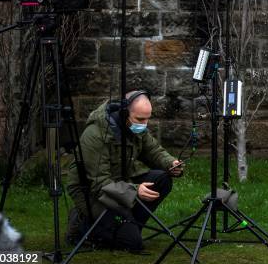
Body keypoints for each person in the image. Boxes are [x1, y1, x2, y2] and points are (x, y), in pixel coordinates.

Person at [66, 90, 184, 251]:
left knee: (162, 178)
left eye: (148, 118)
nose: (144, 124)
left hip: (120, 183)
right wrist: (135, 191)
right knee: (132, 244)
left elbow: (153, 151)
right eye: (140, 119)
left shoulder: (135, 127)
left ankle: (130, 225)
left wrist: (171, 163)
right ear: (123, 113)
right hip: (92, 192)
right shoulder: (95, 134)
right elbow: (99, 184)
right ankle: (81, 223)